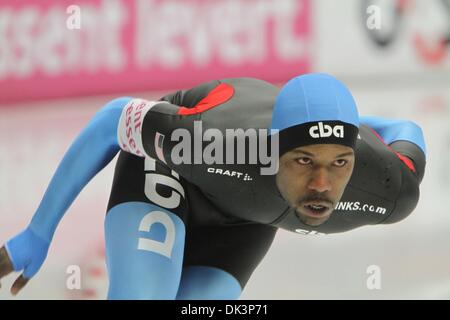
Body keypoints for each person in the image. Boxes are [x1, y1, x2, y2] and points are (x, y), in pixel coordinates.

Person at [0, 73, 426, 299]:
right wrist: (39, 231)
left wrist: (366, 126)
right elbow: (112, 119)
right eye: (302, 160)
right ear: (272, 149)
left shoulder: (388, 188)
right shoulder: (211, 142)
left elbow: (407, 127)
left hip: (244, 214)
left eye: (339, 163)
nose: (321, 183)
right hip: (174, 174)